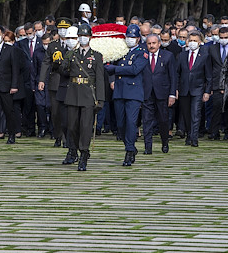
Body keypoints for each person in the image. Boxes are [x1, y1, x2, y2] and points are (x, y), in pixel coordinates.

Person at [60, 24, 104, 171]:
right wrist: (64, 60)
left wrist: (100, 99)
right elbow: (63, 71)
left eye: (85, 35)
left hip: (88, 94)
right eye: (80, 36)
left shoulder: (96, 56)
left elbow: (99, 79)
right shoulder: (72, 54)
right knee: (72, 126)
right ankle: (73, 149)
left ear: (90, 37)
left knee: (85, 126)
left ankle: (84, 153)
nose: (82, 38)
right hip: (73, 93)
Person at [105, 24, 148, 166]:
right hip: (119, 91)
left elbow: (135, 69)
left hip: (133, 92)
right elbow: (110, 65)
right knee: (121, 124)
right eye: (128, 37)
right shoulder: (121, 51)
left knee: (131, 122)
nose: (130, 40)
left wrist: (115, 69)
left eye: (133, 37)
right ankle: (130, 146)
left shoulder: (142, 52)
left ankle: (129, 151)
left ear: (138, 39)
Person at [39, 18, 73, 148]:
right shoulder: (53, 45)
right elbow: (46, 62)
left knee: (69, 112)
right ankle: (58, 135)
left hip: (70, 82)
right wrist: (42, 80)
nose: (63, 31)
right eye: (61, 28)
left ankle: (67, 138)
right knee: (56, 112)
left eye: (66, 28)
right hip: (55, 82)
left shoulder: (73, 45)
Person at [141, 33, 177, 154]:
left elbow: (173, 76)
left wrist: (172, 94)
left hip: (163, 93)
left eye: (154, 43)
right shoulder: (142, 56)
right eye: (149, 43)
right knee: (146, 120)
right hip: (147, 93)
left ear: (159, 43)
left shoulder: (168, 56)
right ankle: (148, 147)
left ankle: (165, 143)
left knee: (163, 120)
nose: (151, 46)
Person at [177, 31, 212, 147]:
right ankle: (188, 135)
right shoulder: (182, 55)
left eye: (195, 41)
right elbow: (177, 73)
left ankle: (194, 137)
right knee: (186, 114)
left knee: (195, 113)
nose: (192, 43)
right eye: (190, 40)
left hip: (198, 89)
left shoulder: (205, 55)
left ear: (200, 42)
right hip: (184, 89)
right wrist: (176, 89)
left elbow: (209, 76)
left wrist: (207, 91)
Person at [209, 27, 228, 140]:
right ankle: (214, 131)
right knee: (216, 107)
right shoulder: (212, 48)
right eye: (221, 37)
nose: (223, 39)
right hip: (216, 82)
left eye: (225, 37)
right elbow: (209, 67)